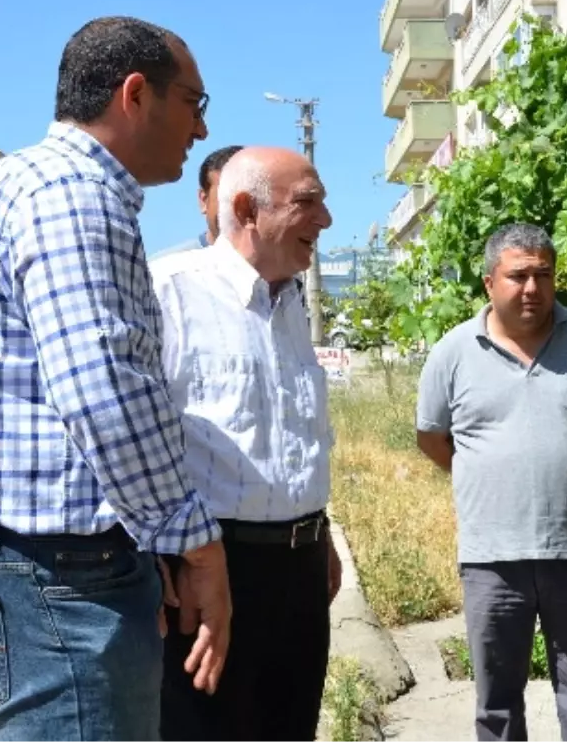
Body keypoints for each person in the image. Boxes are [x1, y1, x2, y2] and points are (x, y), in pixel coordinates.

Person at [0, 16, 232, 741]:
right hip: (48, 578)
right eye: (195, 103)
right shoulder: (72, 195)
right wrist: (198, 545)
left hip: (26, 570)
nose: (198, 129)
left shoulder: (19, 185)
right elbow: (106, 394)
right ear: (136, 94)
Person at [415, 222, 567, 742]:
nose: (532, 288)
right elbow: (432, 437)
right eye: (518, 276)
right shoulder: (454, 351)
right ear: (489, 282)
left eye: (543, 274)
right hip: (491, 559)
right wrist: (482, 473)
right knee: (496, 703)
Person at [151, 146, 339, 741]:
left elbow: (294, 436)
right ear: (245, 210)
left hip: (301, 570)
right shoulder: (169, 294)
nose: (326, 220)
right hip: (212, 571)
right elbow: (128, 435)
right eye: (307, 203)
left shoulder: (289, 304)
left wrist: (320, 530)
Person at [150, 144, 244, 259]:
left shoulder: (271, 269)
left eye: (253, 197)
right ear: (204, 200)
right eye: (227, 197)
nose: (241, 208)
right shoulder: (163, 270)